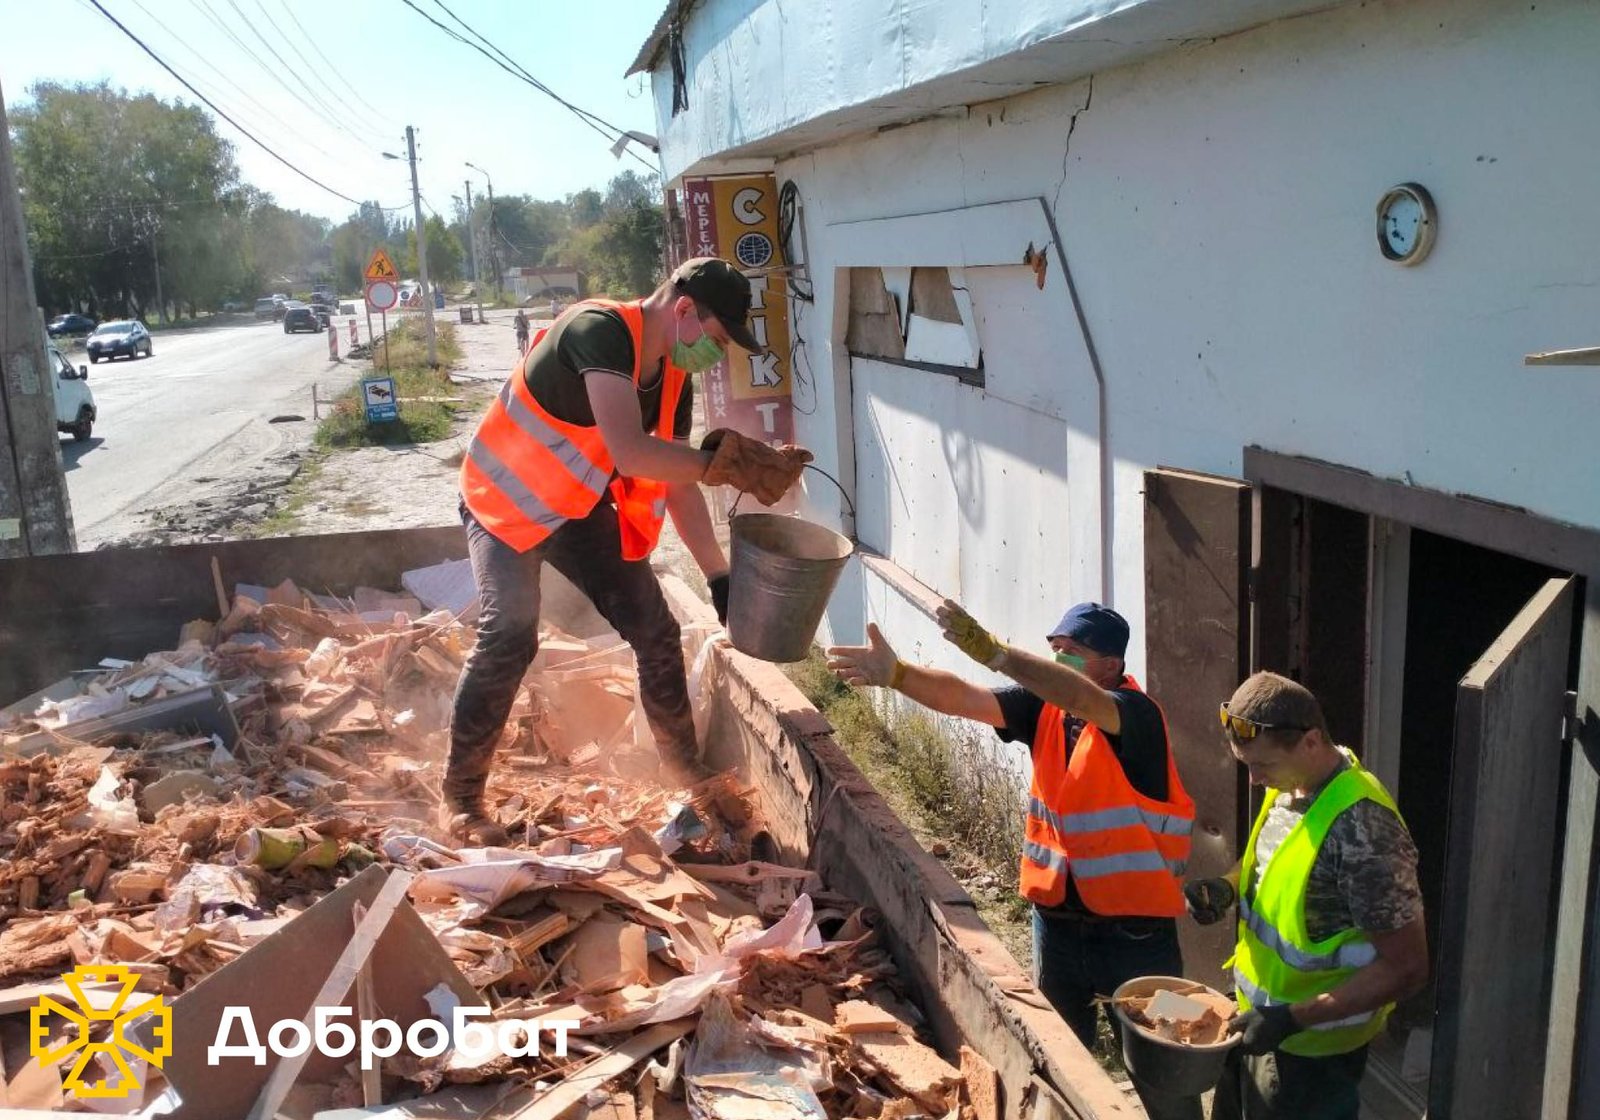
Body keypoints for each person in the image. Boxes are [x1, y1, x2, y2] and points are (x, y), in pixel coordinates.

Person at [445, 257, 812, 845]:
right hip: (503, 502)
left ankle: (685, 772)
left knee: (656, 629)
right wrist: (726, 467)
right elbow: (631, 452)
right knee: (509, 635)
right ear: (684, 310)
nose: (716, 355)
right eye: (718, 339)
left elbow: (678, 482)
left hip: (572, 506)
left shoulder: (672, 379)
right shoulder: (597, 332)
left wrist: (719, 578)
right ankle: (462, 801)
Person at [827, 601, 1199, 1120]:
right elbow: (965, 699)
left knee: (1166, 1067)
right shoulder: (1043, 709)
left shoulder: (1137, 715)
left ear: (1112, 665)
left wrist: (998, 654)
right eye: (1055, 648)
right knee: (1059, 1065)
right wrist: (899, 675)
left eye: (1074, 650)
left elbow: (1082, 697)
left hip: (1137, 936)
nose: (1059, 658)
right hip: (1058, 927)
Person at [1190, 672, 1428, 1120]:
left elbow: (1408, 969)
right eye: (1247, 765)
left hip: (1312, 1058)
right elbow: (1277, 861)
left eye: (1263, 765)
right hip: (1258, 1026)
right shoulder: (1293, 783)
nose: (1254, 780)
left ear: (1311, 741)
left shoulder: (1364, 831)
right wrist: (1228, 886)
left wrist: (1292, 1018)